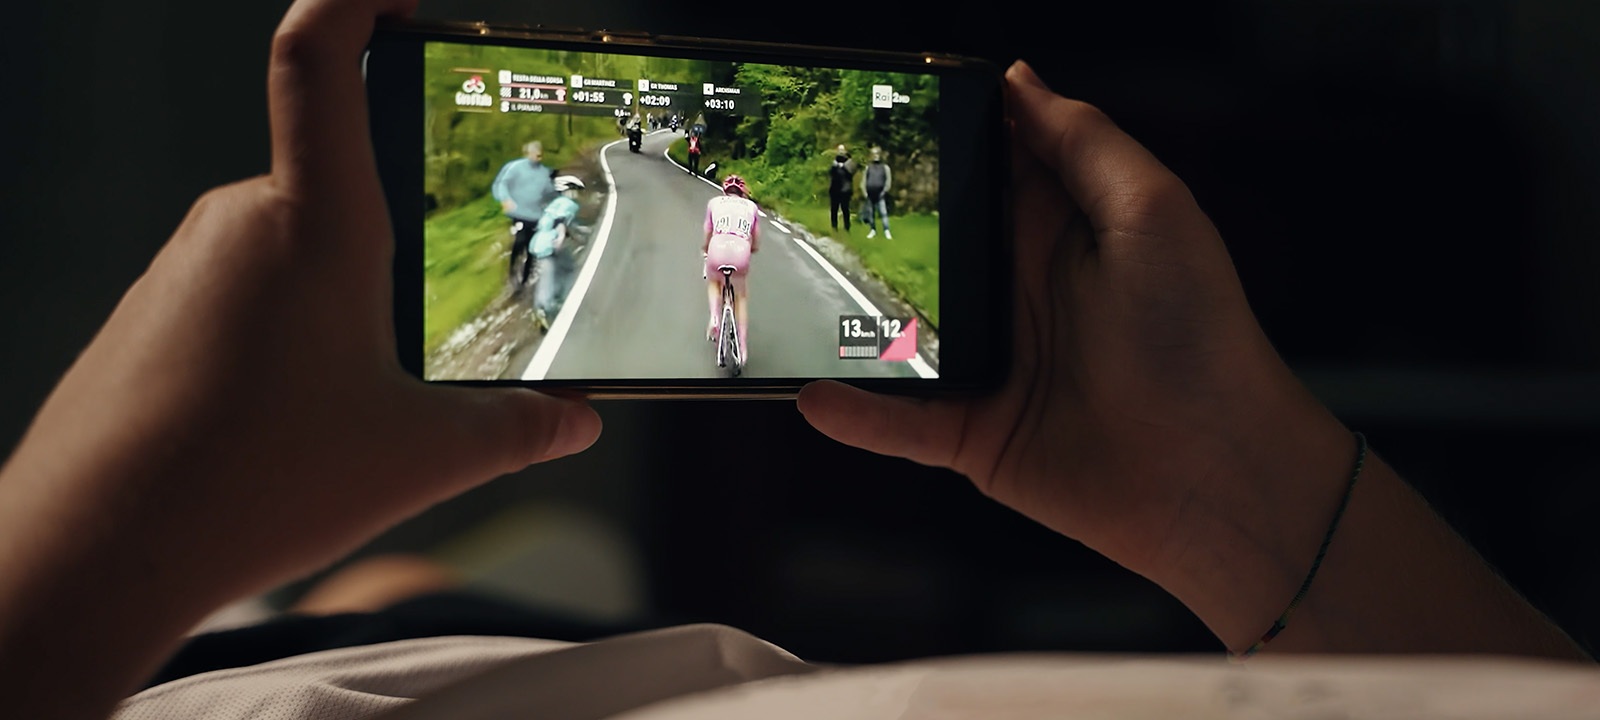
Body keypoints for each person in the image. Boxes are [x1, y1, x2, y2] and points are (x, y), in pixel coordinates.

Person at [0, 0, 1590, 717]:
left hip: (275, 674)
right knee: (438, 601)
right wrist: (1235, 489)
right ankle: (402, 594)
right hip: (529, 661)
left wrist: (108, 529)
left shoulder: (730, 205)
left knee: (403, 606)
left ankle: (381, 596)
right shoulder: (700, 203)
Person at [702, 174, 759, 363]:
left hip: (717, 248)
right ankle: (742, 348)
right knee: (740, 296)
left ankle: (714, 318)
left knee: (714, 281)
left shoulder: (714, 203)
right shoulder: (751, 207)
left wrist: (705, 249)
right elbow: (756, 240)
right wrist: (752, 248)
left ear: (725, 190)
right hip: (740, 251)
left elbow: (708, 232)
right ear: (742, 192)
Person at [490, 140, 556, 288]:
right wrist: (506, 199)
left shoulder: (544, 173)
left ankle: (526, 279)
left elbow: (550, 193)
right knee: (520, 241)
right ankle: (512, 273)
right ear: (528, 153)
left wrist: (556, 200)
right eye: (535, 153)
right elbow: (502, 184)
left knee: (532, 246)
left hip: (535, 216)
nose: (538, 156)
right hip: (518, 214)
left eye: (539, 154)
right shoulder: (515, 167)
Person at [528, 175, 584, 330]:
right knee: (550, 276)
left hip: (540, 243)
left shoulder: (554, 204)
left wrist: (575, 236)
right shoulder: (568, 204)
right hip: (550, 244)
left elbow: (558, 223)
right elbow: (560, 222)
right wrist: (560, 237)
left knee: (565, 268)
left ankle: (549, 303)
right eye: (575, 190)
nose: (577, 194)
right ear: (567, 190)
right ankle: (544, 308)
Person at [861, 145, 892, 238]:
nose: (876, 155)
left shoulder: (885, 167)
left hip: (880, 194)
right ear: (871, 155)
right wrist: (865, 193)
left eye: (877, 153)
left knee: (883, 213)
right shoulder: (868, 167)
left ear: (880, 155)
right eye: (874, 154)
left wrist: (884, 191)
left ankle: (886, 231)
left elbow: (888, 181)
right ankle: (872, 230)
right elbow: (863, 181)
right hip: (870, 195)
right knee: (871, 213)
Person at [828, 143, 856, 233]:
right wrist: (835, 166)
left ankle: (847, 227)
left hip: (845, 189)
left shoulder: (849, 161)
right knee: (834, 209)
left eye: (842, 150)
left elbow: (851, 173)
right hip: (834, 189)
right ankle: (834, 226)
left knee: (845, 209)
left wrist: (843, 167)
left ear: (845, 151)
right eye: (839, 150)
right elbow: (831, 174)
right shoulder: (834, 162)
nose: (840, 152)